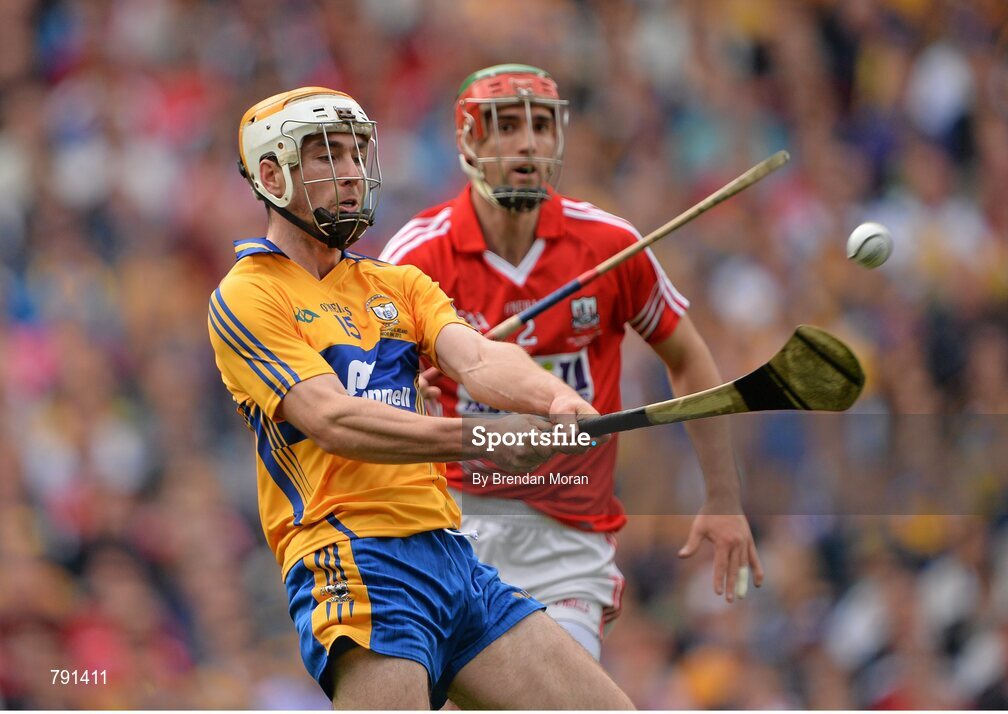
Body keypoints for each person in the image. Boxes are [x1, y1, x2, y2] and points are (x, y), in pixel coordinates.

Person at [208, 86, 635, 710]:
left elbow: (478, 357)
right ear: (272, 175)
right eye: (328, 157)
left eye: (358, 154)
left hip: (451, 554)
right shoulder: (248, 295)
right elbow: (332, 418)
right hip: (356, 556)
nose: (352, 172)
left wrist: (555, 400)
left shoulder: (395, 282)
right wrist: (485, 439)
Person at [379, 64, 764, 659]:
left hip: (568, 540)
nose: (529, 142)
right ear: (468, 141)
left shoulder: (609, 246)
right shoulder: (416, 255)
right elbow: (372, 398)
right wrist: (409, 393)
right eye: (506, 126)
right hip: (452, 526)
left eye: (542, 126)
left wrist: (722, 497)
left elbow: (688, 358)